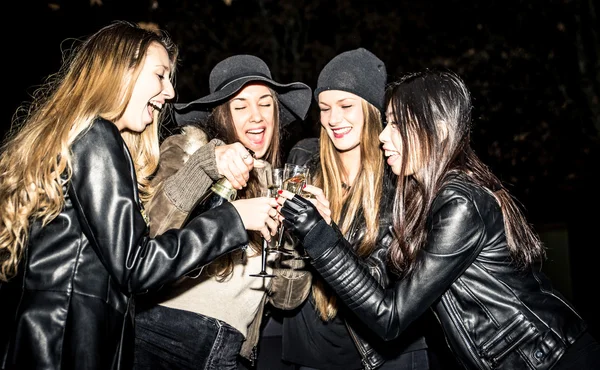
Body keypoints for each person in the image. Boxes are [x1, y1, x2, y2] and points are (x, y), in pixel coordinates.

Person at [0, 21, 279, 370]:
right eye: (160, 75)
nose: (170, 93)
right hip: (62, 348)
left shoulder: (90, 138)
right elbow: (137, 265)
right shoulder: (97, 137)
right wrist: (234, 218)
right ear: (122, 73)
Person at [277, 69, 600, 369]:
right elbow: (381, 287)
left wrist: (318, 235)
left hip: (545, 359)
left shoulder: (460, 203)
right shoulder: (424, 197)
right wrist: (325, 228)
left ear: (436, 128)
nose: (383, 137)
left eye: (396, 124)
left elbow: (390, 317)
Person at [133, 54, 313, 370]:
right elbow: (151, 236)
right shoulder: (189, 149)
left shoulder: (282, 183)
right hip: (161, 336)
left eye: (265, 104)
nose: (256, 117)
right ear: (222, 116)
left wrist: (304, 235)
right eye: (240, 106)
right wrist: (207, 164)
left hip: (229, 351)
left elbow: (286, 299)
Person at [272, 48, 433, 370]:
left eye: (346, 106)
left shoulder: (397, 176)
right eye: (325, 108)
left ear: (372, 111)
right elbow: (286, 268)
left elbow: (388, 283)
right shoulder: (304, 159)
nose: (333, 119)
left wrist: (324, 233)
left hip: (386, 354)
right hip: (313, 351)